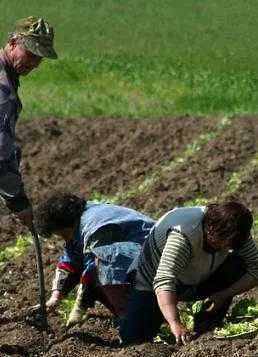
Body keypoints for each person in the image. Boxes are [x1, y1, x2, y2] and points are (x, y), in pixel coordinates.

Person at [119, 201, 258, 345]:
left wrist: (224, 294)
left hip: (193, 278)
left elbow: (257, 270)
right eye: (222, 244)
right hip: (151, 283)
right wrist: (175, 323)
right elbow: (163, 280)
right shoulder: (184, 235)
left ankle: (206, 326)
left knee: (237, 265)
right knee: (134, 338)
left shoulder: (236, 232)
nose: (225, 248)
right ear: (211, 229)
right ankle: (152, 314)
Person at [35, 193, 155, 327]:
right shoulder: (81, 219)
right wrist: (56, 297)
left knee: (100, 272)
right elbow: (71, 258)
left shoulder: (94, 228)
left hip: (151, 255)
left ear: (68, 224)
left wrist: (80, 306)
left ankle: (137, 320)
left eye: (62, 234)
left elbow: (92, 267)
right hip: (136, 254)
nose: (64, 239)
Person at [0, 16, 57, 227]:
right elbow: (1, 155)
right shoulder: (4, 93)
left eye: (39, 58)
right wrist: (18, 201)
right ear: (13, 43)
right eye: (30, 54)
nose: (33, 63)